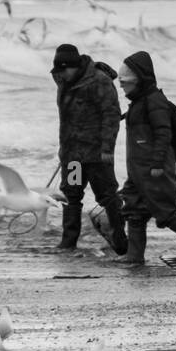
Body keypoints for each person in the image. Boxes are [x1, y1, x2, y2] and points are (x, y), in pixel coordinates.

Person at [117, 50, 176, 264]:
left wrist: (157, 163)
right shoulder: (138, 102)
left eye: (125, 83)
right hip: (138, 169)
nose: (122, 87)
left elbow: (163, 133)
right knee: (134, 209)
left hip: (153, 167)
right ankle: (134, 255)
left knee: (164, 209)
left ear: (140, 79)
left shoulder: (154, 101)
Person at [51, 43, 127, 254]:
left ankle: (121, 241)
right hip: (73, 157)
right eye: (58, 70)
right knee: (71, 194)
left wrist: (107, 150)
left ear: (74, 66)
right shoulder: (63, 80)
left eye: (64, 70)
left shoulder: (99, 82)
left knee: (107, 196)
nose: (61, 75)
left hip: (96, 155)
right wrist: (64, 151)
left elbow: (111, 117)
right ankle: (68, 242)